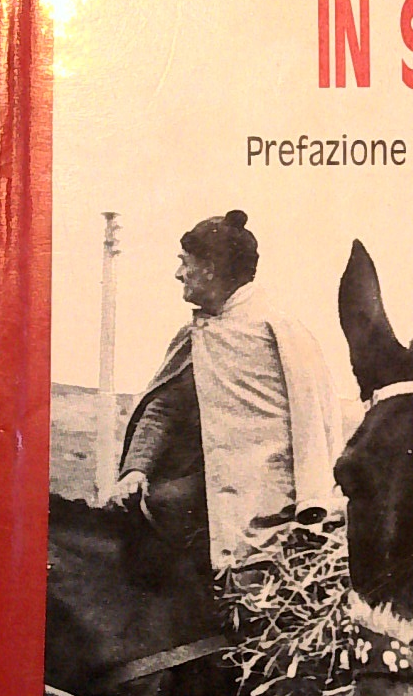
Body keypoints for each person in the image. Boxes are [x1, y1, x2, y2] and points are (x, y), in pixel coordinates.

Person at [107, 210, 343, 574]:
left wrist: (313, 499)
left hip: (274, 510)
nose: (178, 274)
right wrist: (136, 470)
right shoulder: (197, 337)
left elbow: (314, 420)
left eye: (185, 263)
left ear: (210, 269)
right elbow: (164, 408)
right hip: (206, 503)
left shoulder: (281, 332)